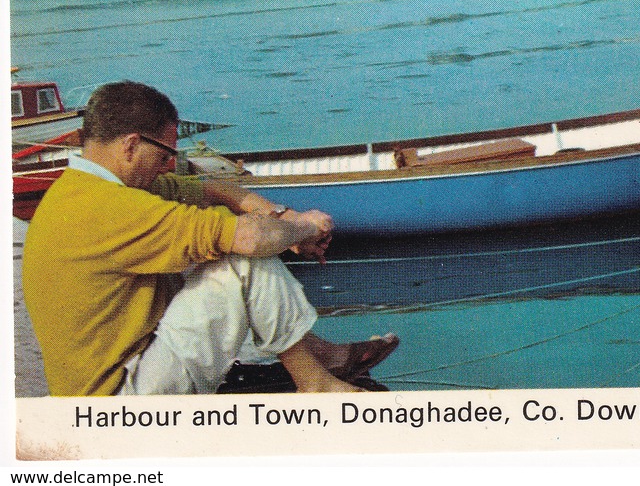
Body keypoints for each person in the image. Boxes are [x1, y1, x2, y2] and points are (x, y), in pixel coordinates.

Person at [21, 81, 399, 396]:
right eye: (166, 153)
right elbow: (249, 239)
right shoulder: (109, 208)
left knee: (224, 240)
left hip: (116, 374)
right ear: (131, 146)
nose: (169, 164)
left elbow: (216, 189)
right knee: (241, 257)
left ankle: (320, 356)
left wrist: (284, 217)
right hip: (120, 400)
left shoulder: (85, 188)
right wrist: (305, 227)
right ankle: (316, 384)